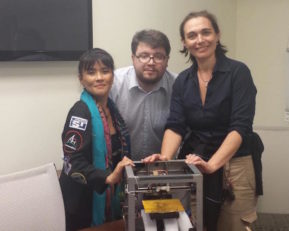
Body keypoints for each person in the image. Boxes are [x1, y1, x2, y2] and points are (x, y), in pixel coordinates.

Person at [143, 10, 258, 231]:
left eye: (206, 32)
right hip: (196, 164)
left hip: (234, 166)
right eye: (192, 35)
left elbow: (240, 127)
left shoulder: (238, 72)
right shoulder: (183, 81)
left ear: (217, 35)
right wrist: (165, 160)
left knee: (234, 225)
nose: (200, 40)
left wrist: (213, 164)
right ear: (184, 42)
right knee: (197, 225)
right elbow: (176, 125)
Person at [59, 48, 134, 231]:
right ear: (81, 79)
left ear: (112, 76)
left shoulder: (113, 110)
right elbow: (73, 161)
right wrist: (107, 177)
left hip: (110, 196)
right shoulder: (80, 112)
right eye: (91, 72)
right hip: (82, 203)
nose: (99, 77)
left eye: (105, 71)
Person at [109, 29, 176, 161]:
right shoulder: (114, 83)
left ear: (167, 60)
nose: (151, 62)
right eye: (144, 56)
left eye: (158, 56)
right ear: (133, 58)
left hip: (163, 168)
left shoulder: (178, 85)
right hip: (120, 167)